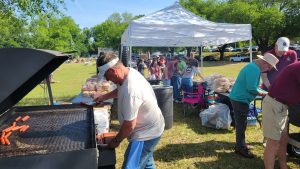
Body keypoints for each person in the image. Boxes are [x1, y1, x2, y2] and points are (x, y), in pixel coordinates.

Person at [93, 52, 165, 169]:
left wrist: (116, 140)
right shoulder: (128, 72)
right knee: (147, 162)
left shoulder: (131, 89)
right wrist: (104, 97)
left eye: (106, 76)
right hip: (152, 127)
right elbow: (120, 90)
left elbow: (129, 125)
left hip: (146, 134)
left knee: (130, 166)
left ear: (113, 71)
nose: (107, 79)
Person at [229, 53, 279, 159]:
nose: (269, 69)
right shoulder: (254, 69)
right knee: (241, 125)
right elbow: (251, 88)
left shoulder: (254, 67)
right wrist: (266, 94)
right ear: (265, 63)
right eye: (269, 67)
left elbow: (255, 86)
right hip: (240, 99)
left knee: (242, 123)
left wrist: (267, 92)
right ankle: (240, 148)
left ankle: (241, 144)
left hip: (240, 98)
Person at [262, 62, 300, 169]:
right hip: (275, 105)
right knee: (273, 143)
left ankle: (283, 166)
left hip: (282, 106)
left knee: (283, 139)